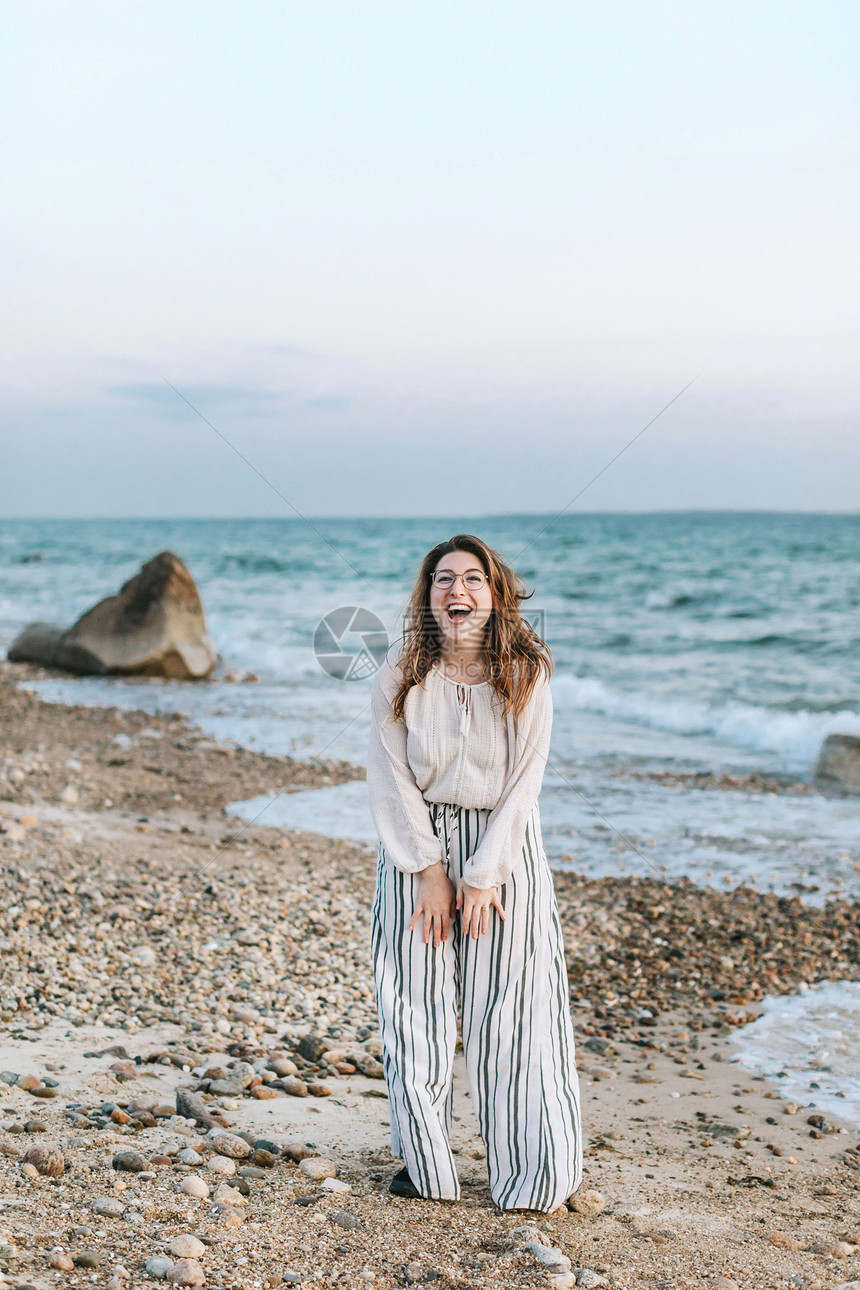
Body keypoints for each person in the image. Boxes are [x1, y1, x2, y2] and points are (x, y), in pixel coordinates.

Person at [367, 533, 583, 1212]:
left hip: (505, 848)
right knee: (414, 1007)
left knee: (512, 1009)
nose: (456, 591)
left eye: (472, 579)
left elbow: (527, 780)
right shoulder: (400, 671)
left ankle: (532, 1175)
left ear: (495, 595)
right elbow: (390, 775)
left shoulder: (527, 672)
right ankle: (427, 1167)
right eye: (443, 580)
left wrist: (484, 873)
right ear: (427, 597)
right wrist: (431, 869)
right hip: (416, 845)